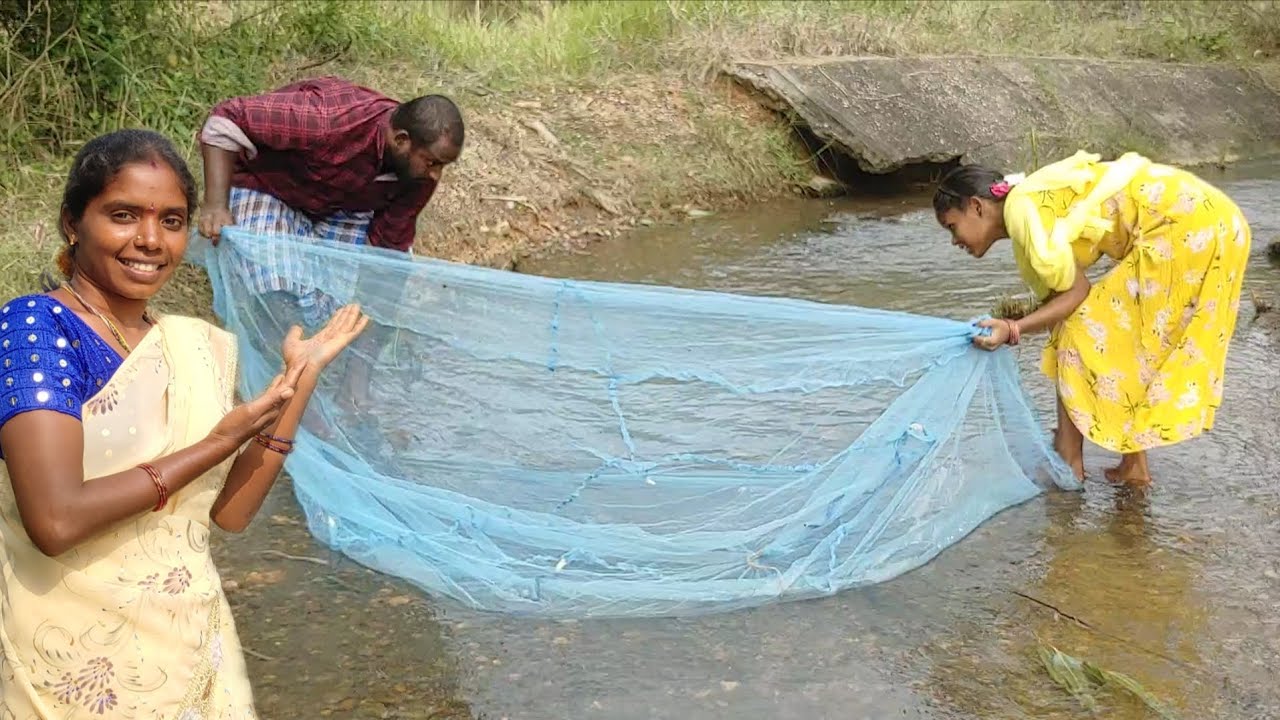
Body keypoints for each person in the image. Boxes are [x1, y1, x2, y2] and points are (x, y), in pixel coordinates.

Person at [0, 128, 368, 717]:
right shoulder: (37, 329)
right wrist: (219, 441)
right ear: (74, 222)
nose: (149, 240)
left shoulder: (192, 345)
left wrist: (300, 380)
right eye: (123, 215)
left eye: (171, 221)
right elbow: (56, 518)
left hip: (188, 644)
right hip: (70, 655)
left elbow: (231, 513)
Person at [933, 150, 1250, 487]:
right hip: (1219, 221)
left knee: (1079, 329)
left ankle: (1071, 460)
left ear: (977, 207)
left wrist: (1013, 328)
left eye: (952, 227)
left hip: (1188, 228)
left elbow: (1075, 295)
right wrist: (1024, 324)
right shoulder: (1031, 199)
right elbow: (1061, 296)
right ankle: (1130, 464)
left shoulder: (1023, 212)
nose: (955, 241)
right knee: (1129, 340)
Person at [197, 75, 463, 411]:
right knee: (278, 292)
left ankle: (337, 385)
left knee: (372, 281)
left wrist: (358, 379)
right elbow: (226, 119)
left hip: (341, 207)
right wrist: (216, 204)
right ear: (401, 140)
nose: (436, 175)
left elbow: (384, 264)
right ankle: (291, 390)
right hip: (270, 187)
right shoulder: (326, 121)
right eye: (433, 163)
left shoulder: (417, 176)